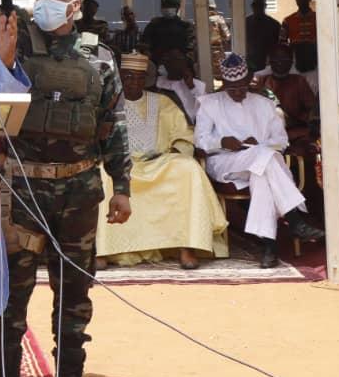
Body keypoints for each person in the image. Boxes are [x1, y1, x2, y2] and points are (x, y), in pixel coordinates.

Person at [0, 0, 131, 377]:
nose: (45, 1)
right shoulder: (15, 49)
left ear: (75, 5)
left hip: (79, 190)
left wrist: (122, 186)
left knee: (75, 290)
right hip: (24, 191)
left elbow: (113, 123)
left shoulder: (99, 57)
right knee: (12, 292)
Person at [96, 53, 227, 270]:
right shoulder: (108, 104)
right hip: (120, 165)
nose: (134, 82)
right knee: (100, 173)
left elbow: (184, 136)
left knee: (188, 168)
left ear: (146, 79)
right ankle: (103, 249)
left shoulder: (163, 102)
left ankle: (187, 245)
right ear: (120, 78)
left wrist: (176, 150)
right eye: (128, 77)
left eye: (139, 77)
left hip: (157, 163)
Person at [195, 53, 324, 268]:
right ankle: (294, 220)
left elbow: (281, 140)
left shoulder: (264, 104)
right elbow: (200, 141)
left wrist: (260, 145)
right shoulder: (209, 103)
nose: (238, 93)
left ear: (248, 80)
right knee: (264, 158)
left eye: (241, 87)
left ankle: (269, 247)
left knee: (261, 172)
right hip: (226, 163)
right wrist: (222, 141)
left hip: (261, 163)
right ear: (224, 83)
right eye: (232, 88)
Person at [254, 44, 321, 219]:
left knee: (306, 156)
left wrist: (293, 120)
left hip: (295, 133)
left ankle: (305, 208)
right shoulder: (261, 82)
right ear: (269, 61)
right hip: (268, 136)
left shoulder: (298, 82)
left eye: (284, 59)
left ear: (291, 61)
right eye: (276, 59)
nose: (280, 63)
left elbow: (312, 112)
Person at [140, 0, 196, 68]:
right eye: (164, 6)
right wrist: (152, 62)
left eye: (170, 6)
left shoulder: (186, 27)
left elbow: (191, 51)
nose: (167, 9)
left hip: (180, 68)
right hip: (156, 67)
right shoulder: (153, 25)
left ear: (177, 8)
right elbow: (144, 46)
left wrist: (180, 63)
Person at [280, 0, 318, 95]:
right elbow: (282, 43)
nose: (301, 0)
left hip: (315, 63)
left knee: (314, 93)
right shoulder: (288, 21)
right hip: (295, 64)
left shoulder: (319, 18)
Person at [155, 48, 207, 124]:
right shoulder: (158, 83)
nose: (176, 63)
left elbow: (206, 106)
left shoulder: (197, 84)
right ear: (165, 63)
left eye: (180, 59)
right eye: (172, 59)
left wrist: (192, 87)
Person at [246, 0, 281, 72]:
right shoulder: (245, 23)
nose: (257, 7)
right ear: (251, 6)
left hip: (268, 65)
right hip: (249, 64)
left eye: (260, 5)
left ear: (265, 6)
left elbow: (279, 46)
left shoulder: (274, 24)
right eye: (255, 5)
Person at [207, 0, 232, 80]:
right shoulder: (219, 19)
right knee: (219, 76)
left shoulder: (199, 20)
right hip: (217, 51)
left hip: (202, 51)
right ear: (214, 7)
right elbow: (227, 36)